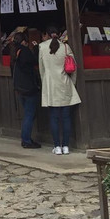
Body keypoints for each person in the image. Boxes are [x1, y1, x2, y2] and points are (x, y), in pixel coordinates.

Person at [38, 25, 80, 154]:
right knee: (66, 117)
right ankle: (66, 146)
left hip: (50, 84)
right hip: (64, 83)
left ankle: (57, 146)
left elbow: (42, 69)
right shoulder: (66, 47)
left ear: (47, 33)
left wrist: (45, 82)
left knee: (54, 117)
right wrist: (71, 83)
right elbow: (73, 68)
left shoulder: (42, 47)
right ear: (59, 33)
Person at [12, 27, 42, 148]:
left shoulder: (14, 52)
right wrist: (35, 49)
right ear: (24, 41)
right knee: (30, 114)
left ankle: (27, 138)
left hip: (19, 87)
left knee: (28, 114)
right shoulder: (24, 51)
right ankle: (26, 140)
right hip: (29, 87)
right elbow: (34, 61)